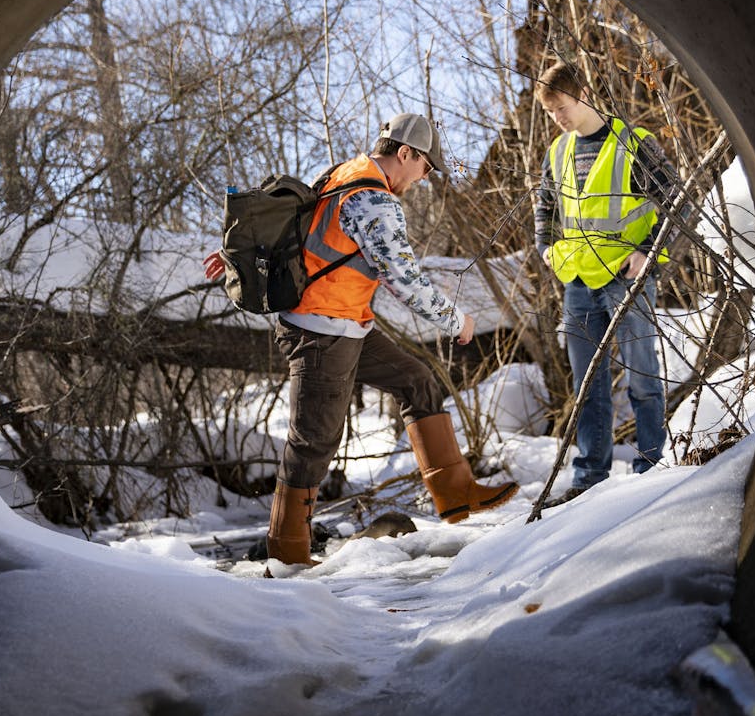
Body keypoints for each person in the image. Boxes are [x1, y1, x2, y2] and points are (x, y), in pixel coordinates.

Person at [204, 112, 519, 568]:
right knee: (314, 440)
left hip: (346, 323)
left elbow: (295, 226)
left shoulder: (340, 173)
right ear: (406, 154)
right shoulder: (374, 201)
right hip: (320, 330)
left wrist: (234, 252)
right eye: (425, 167)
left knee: (416, 380)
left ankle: (456, 494)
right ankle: (287, 551)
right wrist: (456, 321)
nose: (424, 178)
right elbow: (405, 280)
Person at [533, 60, 677, 508]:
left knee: (642, 376)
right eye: (550, 111)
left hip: (626, 279)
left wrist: (646, 252)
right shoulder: (557, 152)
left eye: (561, 106)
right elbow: (545, 210)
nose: (557, 117)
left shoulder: (634, 144)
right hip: (577, 280)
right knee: (587, 384)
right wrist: (546, 250)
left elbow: (674, 201)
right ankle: (589, 478)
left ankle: (650, 469)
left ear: (584, 94)